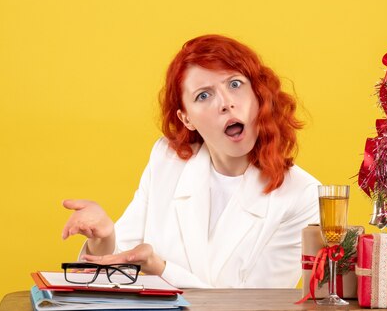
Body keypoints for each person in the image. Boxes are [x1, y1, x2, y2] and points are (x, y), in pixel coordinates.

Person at [61, 35, 321, 288]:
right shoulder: (167, 159)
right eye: (203, 95)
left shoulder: (302, 195)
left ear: (258, 94)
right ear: (186, 119)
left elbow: (257, 304)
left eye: (235, 84)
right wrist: (104, 238)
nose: (227, 103)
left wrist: (162, 271)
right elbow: (118, 265)